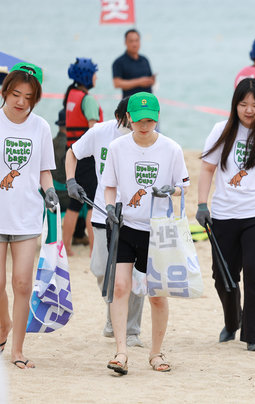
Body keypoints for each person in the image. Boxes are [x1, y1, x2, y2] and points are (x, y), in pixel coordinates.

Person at [196, 78, 255, 352]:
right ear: (235, 104)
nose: (249, 110)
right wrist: (202, 205)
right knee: (222, 275)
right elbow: (206, 170)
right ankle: (233, 319)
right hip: (224, 215)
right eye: (243, 104)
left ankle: (254, 335)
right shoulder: (221, 130)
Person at [101, 92, 189, 374]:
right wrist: (109, 209)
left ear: (158, 118)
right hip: (125, 226)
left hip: (157, 230)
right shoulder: (117, 147)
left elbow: (182, 186)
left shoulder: (171, 149)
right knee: (119, 287)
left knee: (156, 295)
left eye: (150, 120)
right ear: (129, 117)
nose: (144, 125)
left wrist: (170, 190)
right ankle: (121, 351)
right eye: (139, 120)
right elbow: (110, 186)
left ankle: (156, 353)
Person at [65, 97, 145, 348]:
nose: (133, 125)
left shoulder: (146, 138)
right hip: (102, 213)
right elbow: (72, 152)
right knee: (101, 269)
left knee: (133, 275)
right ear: (121, 116)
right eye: (129, 119)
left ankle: (131, 330)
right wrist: (70, 181)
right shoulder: (101, 132)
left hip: (134, 217)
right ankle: (114, 312)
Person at [0, 62, 59, 369]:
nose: (21, 101)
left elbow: (44, 171)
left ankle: (18, 350)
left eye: (28, 96)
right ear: (5, 91)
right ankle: (3, 323)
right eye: (15, 94)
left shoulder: (41, 127)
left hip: (26, 216)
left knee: (22, 283)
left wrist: (49, 192)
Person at [62, 58, 103, 256]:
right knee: (92, 203)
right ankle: (93, 250)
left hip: (72, 153)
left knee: (74, 204)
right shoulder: (88, 99)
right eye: (94, 73)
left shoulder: (71, 95)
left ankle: (66, 248)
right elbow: (93, 129)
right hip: (86, 156)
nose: (96, 76)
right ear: (87, 76)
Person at [112, 29, 155, 98]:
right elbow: (117, 83)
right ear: (125, 42)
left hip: (147, 103)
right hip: (130, 104)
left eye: (136, 40)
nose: (134, 44)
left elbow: (150, 79)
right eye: (131, 41)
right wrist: (139, 82)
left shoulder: (145, 60)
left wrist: (151, 81)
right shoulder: (119, 62)